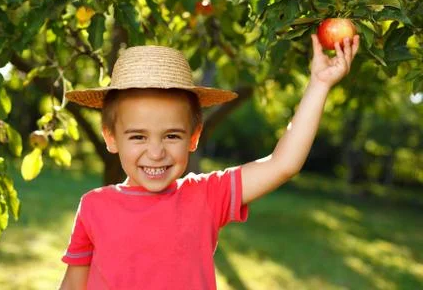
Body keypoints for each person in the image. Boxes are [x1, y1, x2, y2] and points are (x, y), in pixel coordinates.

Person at [59, 34, 360, 290]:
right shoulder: (94, 206)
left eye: (172, 136)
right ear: (111, 138)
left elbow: (283, 164)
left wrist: (319, 85)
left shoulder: (206, 195)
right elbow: (73, 284)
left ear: (194, 136)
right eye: (138, 137)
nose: (156, 152)